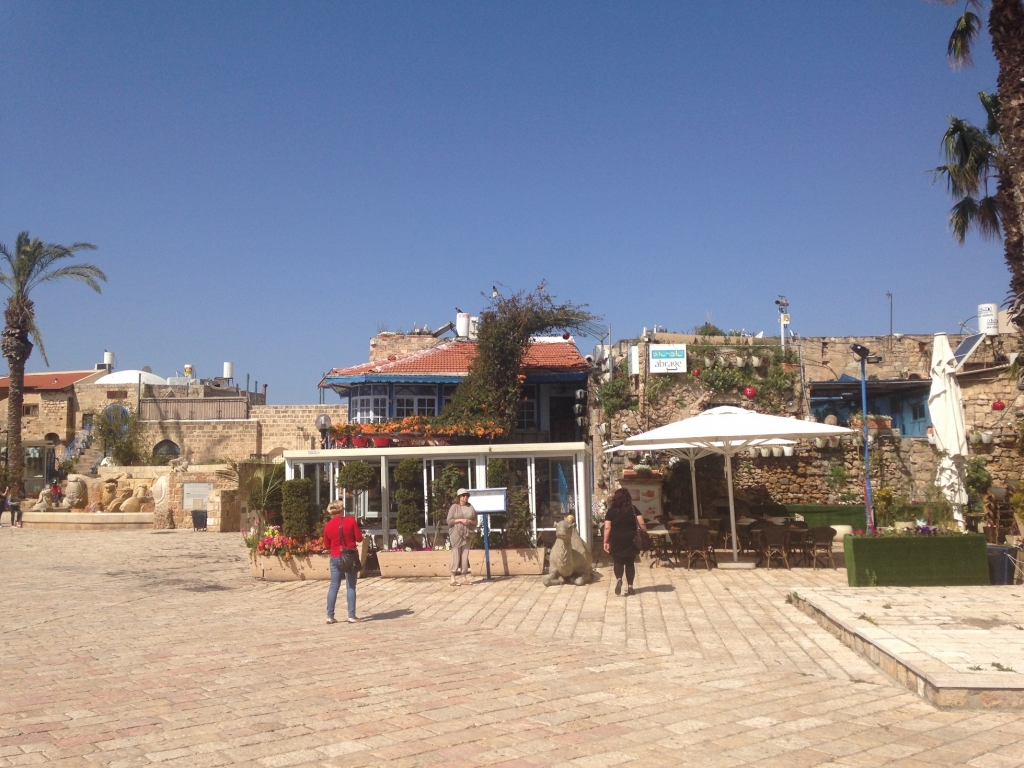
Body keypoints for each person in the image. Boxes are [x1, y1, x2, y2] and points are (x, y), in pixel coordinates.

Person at [323, 501, 363, 624]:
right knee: (351, 586)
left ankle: (330, 616)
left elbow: (327, 545)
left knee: (334, 586)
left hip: (335, 556)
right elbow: (359, 539)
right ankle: (351, 615)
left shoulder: (328, 526)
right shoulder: (350, 521)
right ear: (342, 510)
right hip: (349, 556)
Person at [603, 488, 647, 597]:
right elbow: (641, 523)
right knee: (630, 562)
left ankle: (619, 579)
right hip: (631, 539)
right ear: (628, 498)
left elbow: (607, 527)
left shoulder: (611, 511)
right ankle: (630, 587)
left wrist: (606, 541)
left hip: (616, 539)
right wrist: (645, 532)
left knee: (618, 561)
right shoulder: (633, 509)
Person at [446, 488, 477, 586]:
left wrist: (470, 522)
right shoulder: (454, 507)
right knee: (456, 554)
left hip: (467, 533)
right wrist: (460, 520)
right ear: (459, 497)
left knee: (465, 555)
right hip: (456, 533)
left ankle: (464, 577)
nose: (465, 497)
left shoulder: (470, 507)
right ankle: (453, 578)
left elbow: (475, 521)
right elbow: (449, 521)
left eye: (466, 495)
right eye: (463, 495)